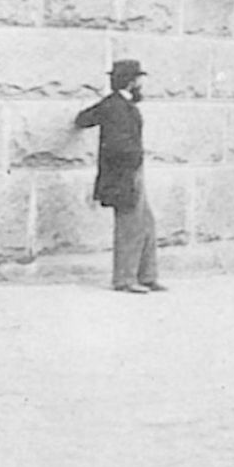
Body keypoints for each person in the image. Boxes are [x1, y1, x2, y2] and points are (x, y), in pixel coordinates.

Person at [75, 58, 163, 293]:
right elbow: (85, 121)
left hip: (131, 170)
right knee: (130, 224)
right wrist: (131, 161)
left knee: (146, 222)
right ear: (131, 82)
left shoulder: (117, 104)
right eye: (138, 80)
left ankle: (147, 276)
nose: (140, 85)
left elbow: (85, 119)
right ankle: (125, 279)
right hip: (124, 173)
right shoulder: (114, 106)